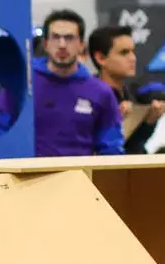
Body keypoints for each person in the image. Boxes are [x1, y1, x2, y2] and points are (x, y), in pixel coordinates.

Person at [32, 9, 122, 157]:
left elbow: (111, 150)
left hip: (78, 178)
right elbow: (1, 130)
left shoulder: (101, 93)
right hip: (26, 177)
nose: (62, 45)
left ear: (81, 45)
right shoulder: (25, 83)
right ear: (45, 43)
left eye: (69, 38)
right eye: (56, 37)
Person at [87, 25, 164, 155]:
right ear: (101, 58)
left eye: (133, 51)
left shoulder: (130, 94)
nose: (132, 58)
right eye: (124, 52)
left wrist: (149, 121)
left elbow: (134, 145)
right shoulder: (89, 99)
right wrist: (112, 123)